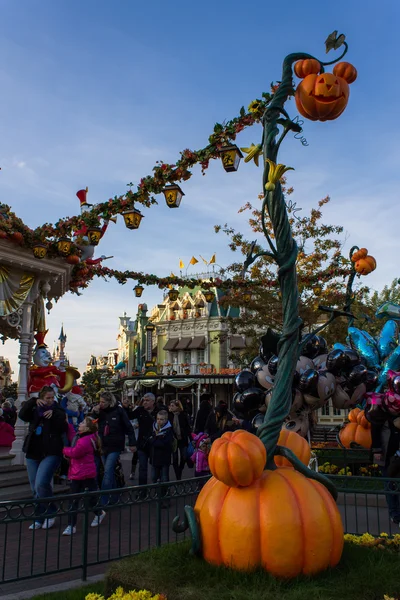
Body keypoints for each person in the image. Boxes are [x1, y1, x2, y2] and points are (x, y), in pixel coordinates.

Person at [19, 385, 68, 530]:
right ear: (41, 398)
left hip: (51, 452)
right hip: (33, 451)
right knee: (35, 488)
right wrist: (32, 402)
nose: (50, 400)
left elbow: (63, 426)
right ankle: (39, 517)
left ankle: (51, 512)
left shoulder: (57, 410)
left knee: (41, 483)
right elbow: (22, 415)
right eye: (47, 398)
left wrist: (54, 413)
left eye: (52, 398)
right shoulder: (35, 409)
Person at [62, 417, 105, 535]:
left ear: (86, 427)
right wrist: (68, 423)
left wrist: (65, 450)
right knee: (77, 499)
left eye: (82, 423)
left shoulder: (85, 440)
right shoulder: (83, 436)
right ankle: (72, 525)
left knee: (82, 499)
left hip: (83, 472)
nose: (79, 424)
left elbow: (76, 452)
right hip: (79, 471)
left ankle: (98, 513)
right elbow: (72, 435)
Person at [96, 391, 135, 515]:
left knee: (108, 470)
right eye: (100, 402)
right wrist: (93, 412)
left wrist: (132, 443)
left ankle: (104, 500)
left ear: (109, 402)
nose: (100, 404)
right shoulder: (100, 412)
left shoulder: (119, 411)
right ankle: (114, 496)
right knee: (110, 471)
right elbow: (90, 423)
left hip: (115, 445)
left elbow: (128, 427)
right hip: (103, 445)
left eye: (103, 402)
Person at [371, 417, 400, 525]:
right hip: (386, 456)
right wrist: (377, 450)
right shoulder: (379, 414)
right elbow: (375, 431)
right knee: (389, 485)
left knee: (397, 484)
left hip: (398, 456)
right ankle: (394, 514)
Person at [131, 393, 158, 485]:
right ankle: (142, 491)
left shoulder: (159, 411)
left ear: (153, 402)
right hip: (142, 443)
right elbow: (129, 416)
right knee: (142, 467)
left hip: (155, 443)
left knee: (155, 467)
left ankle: (156, 488)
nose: (145, 402)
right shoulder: (140, 410)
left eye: (147, 400)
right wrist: (125, 407)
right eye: (144, 400)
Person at [169, 400, 191, 480]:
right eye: (170, 405)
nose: (170, 407)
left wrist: (191, 438)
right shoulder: (169, 415)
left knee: (184, 456)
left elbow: (187, 427)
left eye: (172, 405)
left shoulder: (183, 415)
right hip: (173, 439)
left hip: (182, 438)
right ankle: (177, 474)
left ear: (177, 407)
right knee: (174, 458)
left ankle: (180, 469)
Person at [149, 410, 174, 483]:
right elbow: (149, 439)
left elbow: (164, 444)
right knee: (153, 477)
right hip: (154, 457)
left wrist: (153, 441)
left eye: (161, 419)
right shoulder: (153, 427)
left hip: (164, 458)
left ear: (166, 420)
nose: (159, 421)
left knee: (164, 478)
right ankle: (156, 493)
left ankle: (165, 493)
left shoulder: (169, 430)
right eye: (158, 419)